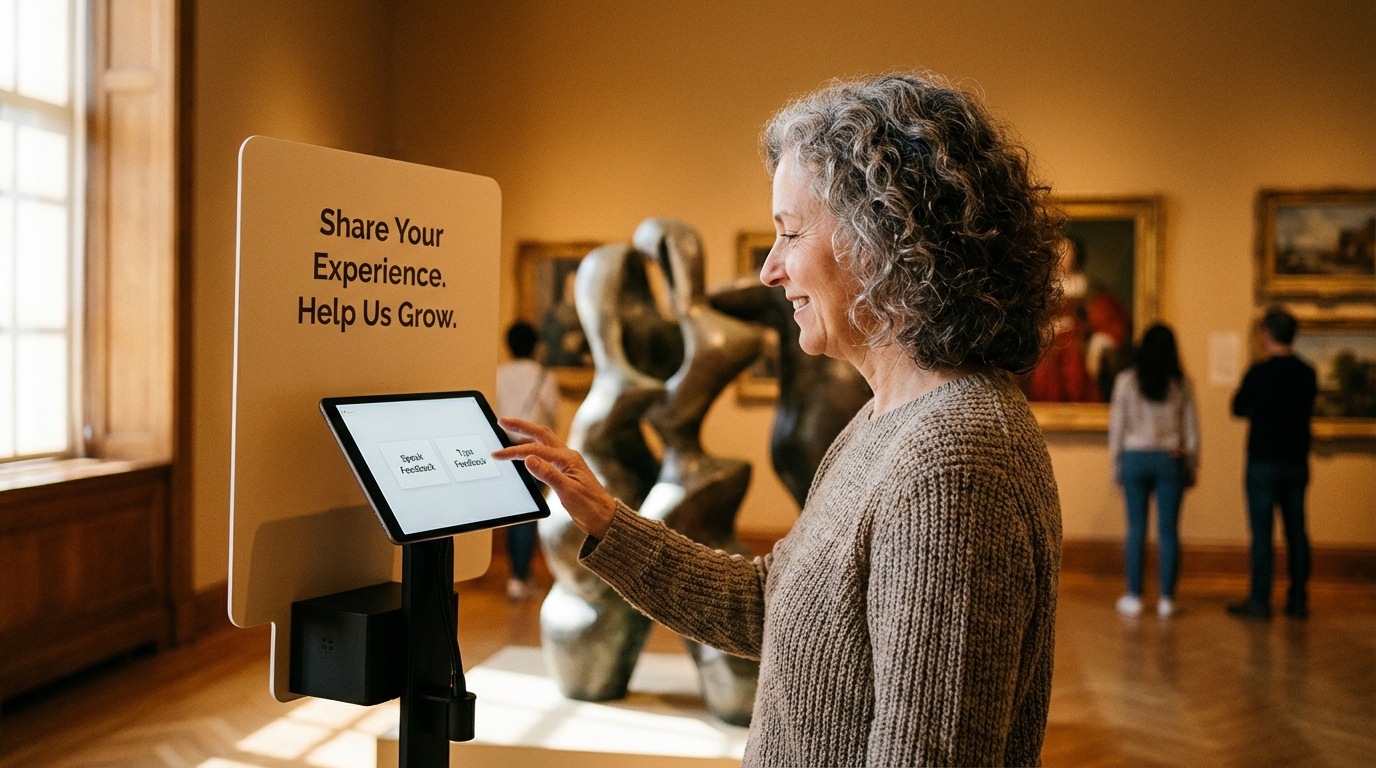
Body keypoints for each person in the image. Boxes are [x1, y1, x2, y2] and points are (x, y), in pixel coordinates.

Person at [495, 72, 1064, 766]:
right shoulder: (887, 421)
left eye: (789, 233)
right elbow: (776, 606)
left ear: (883, 239)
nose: (769, 270)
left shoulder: (955, 462)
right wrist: (608, 521)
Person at [1228, 308, 1317, 620]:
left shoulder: (1258, 374)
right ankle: (1297, 599)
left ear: (1267, 334)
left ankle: (1260, 600)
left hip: (1263, 462)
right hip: (1295, 461)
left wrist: (1259, 409)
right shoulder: (1307, 373)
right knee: (1297, 531)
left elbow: (1237, 407)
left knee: (1262, 534)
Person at [1108, 324, 1199, 619]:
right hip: (1169, 458)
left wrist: (1115, 464)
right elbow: (1191, 432)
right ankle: (1166, 599)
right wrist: (1192, 463)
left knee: (1135, 530)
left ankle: (1134, 596)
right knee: (1168, 532)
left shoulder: (1126, 381)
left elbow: (1117, 429)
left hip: (1134, 458)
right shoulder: (1181, 384)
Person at [495, 321, 559, 601]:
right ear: (535, 345)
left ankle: (518, 575)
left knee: (516, 514)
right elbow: (553, 416)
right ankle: (520, 577)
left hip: (506, 447)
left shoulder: (498, 374)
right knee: (529, 515)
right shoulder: (544, 376)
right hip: (534, 448)